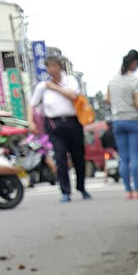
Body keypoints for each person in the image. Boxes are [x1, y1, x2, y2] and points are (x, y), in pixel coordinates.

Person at [28, 56, 91, 203]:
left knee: (78, 157)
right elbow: (32, 105)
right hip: (54, 124)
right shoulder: (42, 86)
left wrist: (55, 87)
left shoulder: (70, 81)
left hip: (73, 122)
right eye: (49, 67)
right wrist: (31, 122)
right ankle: (65, 191)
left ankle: (81, 187)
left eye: (55, 66)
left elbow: (73, 96)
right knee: (60, 157)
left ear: (60, 67)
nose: (52, 70)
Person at [107, 50, 138, 199]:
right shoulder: (134, 81)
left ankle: (128, 191)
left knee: (123, 157)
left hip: (117, 120)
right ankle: (137, 190)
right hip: (133, 120)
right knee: (135, 156)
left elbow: (107, 99)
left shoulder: (112, 80)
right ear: (134, 62)